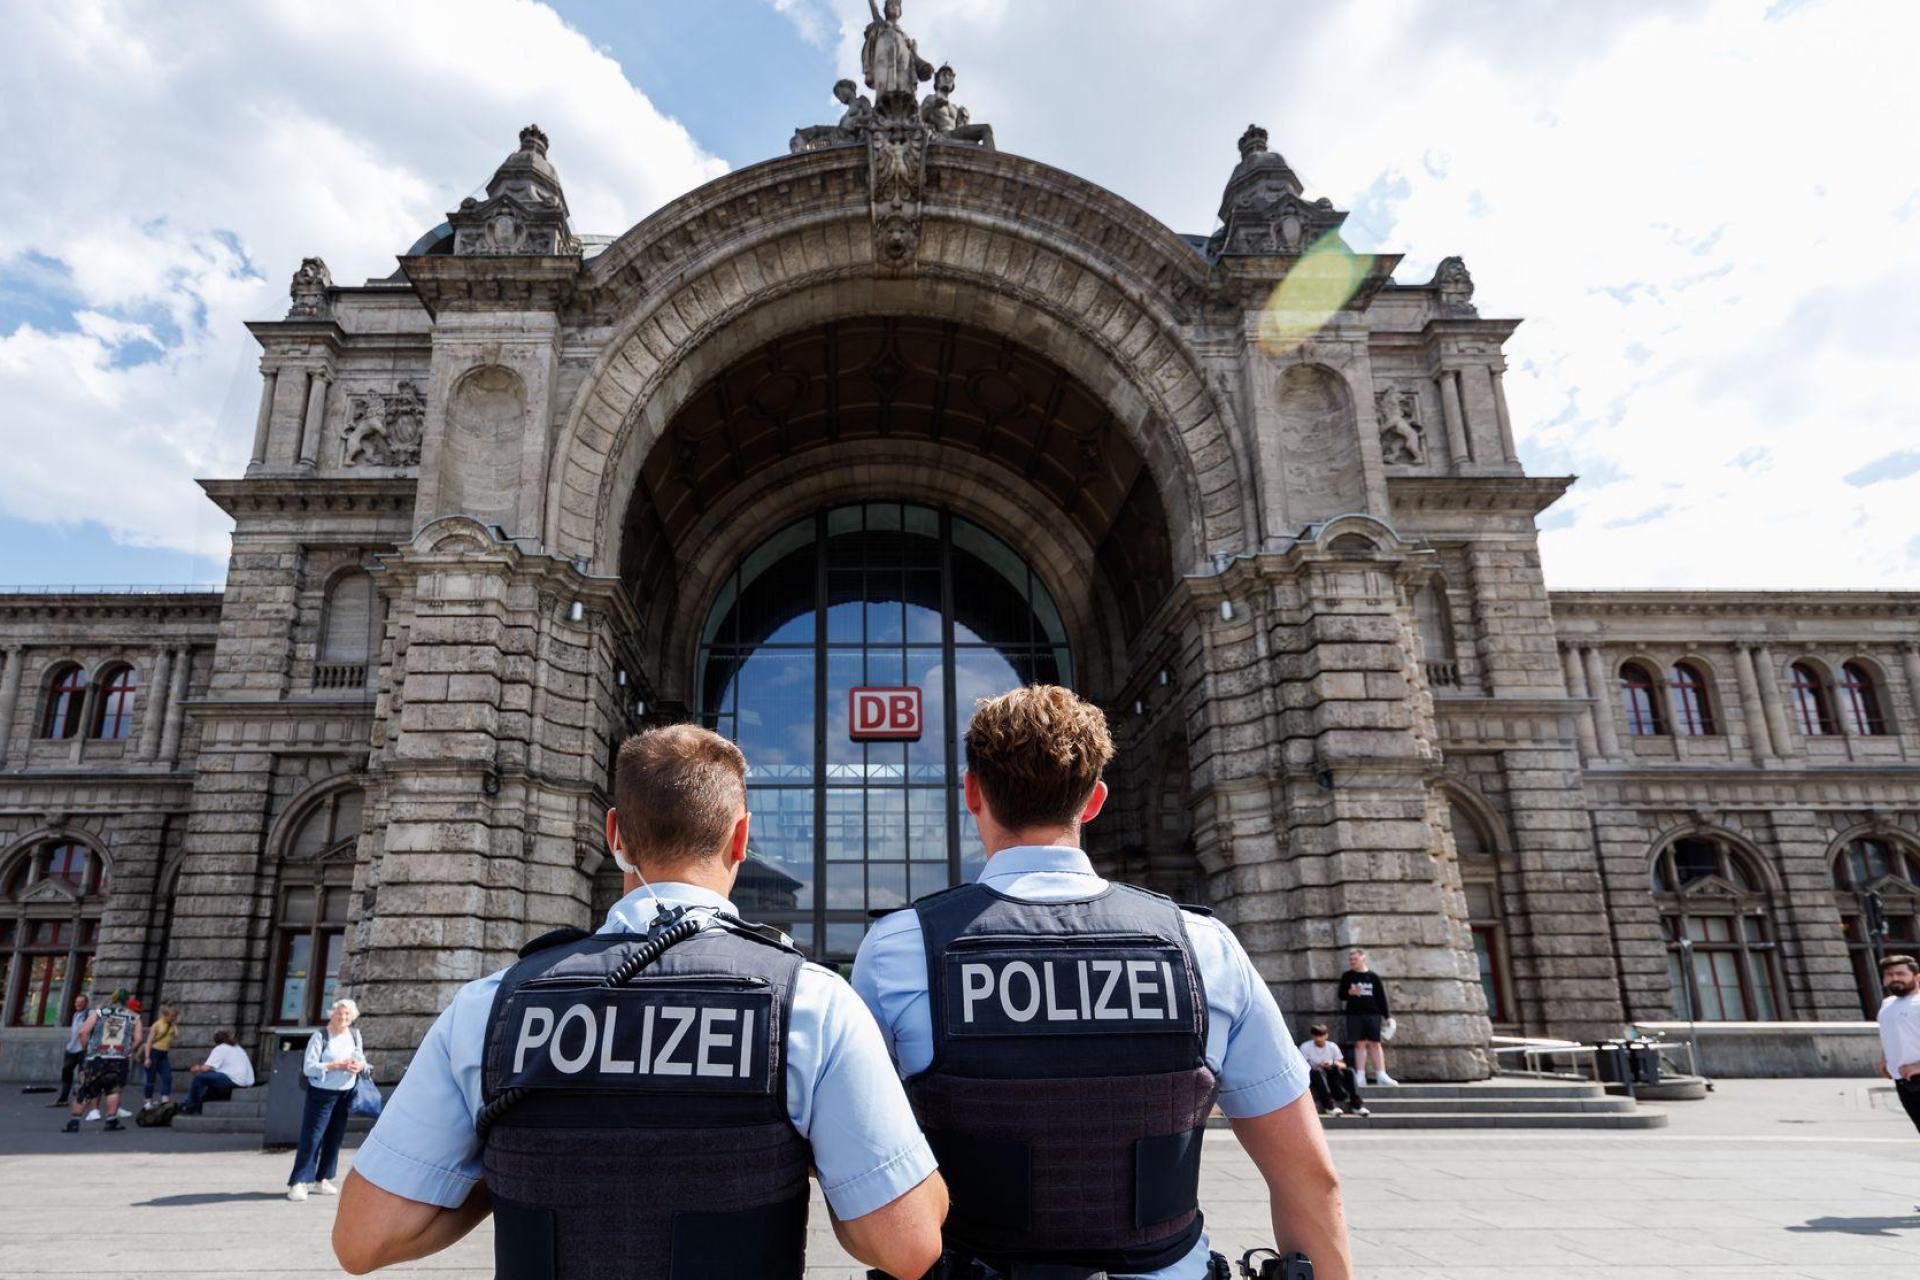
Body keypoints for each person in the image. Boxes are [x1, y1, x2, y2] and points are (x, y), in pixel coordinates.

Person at [332, 724, 947, 1279]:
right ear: (741, 840)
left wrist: (507, 1163)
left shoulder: (490, 1007)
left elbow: (364, 1240)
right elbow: (908, 1246)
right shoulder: (811, 1003)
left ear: (615, 837)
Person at [854, 685, 1353, 1280]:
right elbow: (1307, 1175)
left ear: (972, 793)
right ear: (1093, 801)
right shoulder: (1201, 948)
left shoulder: (899, 949)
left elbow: (869, 1179)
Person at [288, 998, 369, 1202]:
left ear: (352, 1018)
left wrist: (359, 1066)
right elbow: (309, 1067)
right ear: (331, 1014)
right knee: (313, 1136)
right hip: (322, 1093)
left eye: (347, 1015)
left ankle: (322, 1178)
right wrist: (335, 1065)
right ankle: (298, 1181)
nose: (343, 1017)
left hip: (345, 1091)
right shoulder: (320, 1036)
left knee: (334, 1137)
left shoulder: (355, 1036)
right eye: (339, 1013)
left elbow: (363, 1061)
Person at [63, 988, 141, 1133]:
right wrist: (127, 1050)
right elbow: (138, 1039)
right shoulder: (133, 1016)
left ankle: (74, 1121)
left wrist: (86, 1049)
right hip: (119, 1058)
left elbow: (83, 1032)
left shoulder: (99, 1012)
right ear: (126, 1000)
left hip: (97, 1056)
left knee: (86, 1088)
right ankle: (111, 1121)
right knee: (113, 1089)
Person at [1336, 948, 1397, 1086]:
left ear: (1363, 958)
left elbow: (1381, 998)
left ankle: (1381, 1074)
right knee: (1359, 1043)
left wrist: (1388, 1017)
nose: (1352, 962)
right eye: (1351, 959)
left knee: (1375, 1043)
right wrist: (1349, 993)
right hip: (1355, 1014)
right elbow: (1341, 995)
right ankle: (1360, 1074)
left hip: (1373, 1014)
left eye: (1355, 959)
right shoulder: (1347, 976)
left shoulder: (1373, 977)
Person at [1876, 954, 1920, 1135]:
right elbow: (1892, 1034)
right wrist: (1885, 1059)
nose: (1895, 978)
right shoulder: (1887, 1004)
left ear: (1917, 977)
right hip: (1903, 1080)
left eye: (1901, 974)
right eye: (1890, 974)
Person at [1299, 1024, 1369, 1118]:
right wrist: (1318, 1065)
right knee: (1317, 1072)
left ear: (1326, 1035)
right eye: (1317, 1036)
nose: (1319, 1038)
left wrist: (1332, 1063)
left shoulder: (1332, 1046)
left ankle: (1357, 1104)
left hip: (1332, 1075)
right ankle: (1329, 1106)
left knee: (1350, 1071)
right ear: (1313, 1036)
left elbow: (1343, 1065)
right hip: (1315, 1075)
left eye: (1321, 1035)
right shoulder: (1306, 1047)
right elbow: (1302, 1066)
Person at [179, 1030, 256, 1113]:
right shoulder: (238, 1048)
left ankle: (189, 1106)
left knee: (200, 1077)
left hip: (234, 1080)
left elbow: (206, 1068)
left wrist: (196, 1068)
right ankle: (201, 1103)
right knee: (211, 1078)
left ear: (216, 1042)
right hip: (247, 1082)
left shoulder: (220, 1048)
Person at [51, 993, 89, 1106]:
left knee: (83, 1074)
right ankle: (63, 1098)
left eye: (81, 1003)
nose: (78, 1004)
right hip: (71, 1049)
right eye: (77, 1002)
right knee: (66, 1072)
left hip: (83, 1049)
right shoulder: (76, 1015)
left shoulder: (88, 1014)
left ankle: (82, 1099)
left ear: (86, 1004)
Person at [141, 1002, 180, 1108]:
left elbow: (177, 1036)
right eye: (172, 1016)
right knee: (151, 1079)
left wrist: (174, 1025)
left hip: (164, 1054)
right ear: (165, 1015)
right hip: (154, 1052)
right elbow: (149, 1042)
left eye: (175, 1016)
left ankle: (164, 1100)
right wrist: (147, 1057)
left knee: (168, 1077)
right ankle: (148, 1101)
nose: (173, 1018)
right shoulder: (157, 1025)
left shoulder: (171, 1025)